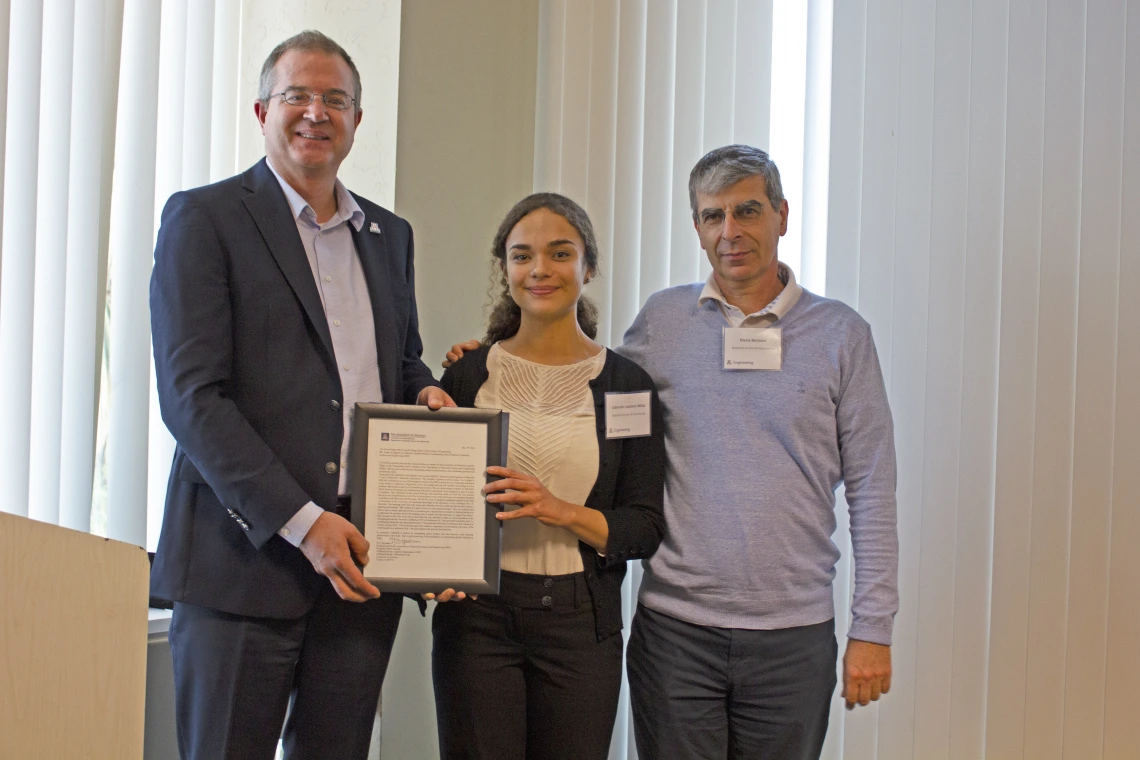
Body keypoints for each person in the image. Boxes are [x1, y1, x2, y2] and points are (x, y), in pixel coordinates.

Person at [444, 145, 898, 759]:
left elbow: (872, 487)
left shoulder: (842, 335)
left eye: (748, 211)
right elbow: (578, 375)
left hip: (793, 635)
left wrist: (872, 628)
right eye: (713, 216)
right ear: (697, 228)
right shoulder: (663, 322)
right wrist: (485, 356)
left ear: (783, 216)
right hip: (675, 631)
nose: (730, 232)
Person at [149, 30, 453, 760]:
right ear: (262, 110)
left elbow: (395, 362)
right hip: (240, 564)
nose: (316, 112)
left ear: (356, 120)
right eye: (298, 95)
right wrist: (302, 522)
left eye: (336, 100)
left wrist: (430, 395)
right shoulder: (206, 219)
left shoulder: (390, 236)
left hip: (359, 571)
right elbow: (193, 397)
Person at [431, 193, 666, 760]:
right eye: (522, 256)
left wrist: (556, 508)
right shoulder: (465, 375)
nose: (540, 270)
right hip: (476, 622)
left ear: (588, 267)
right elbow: (433, 503)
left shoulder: (628, 385)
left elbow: (643, 527)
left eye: (561, 254)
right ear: (505, 270)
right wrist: (425, 568)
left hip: (581, 625)